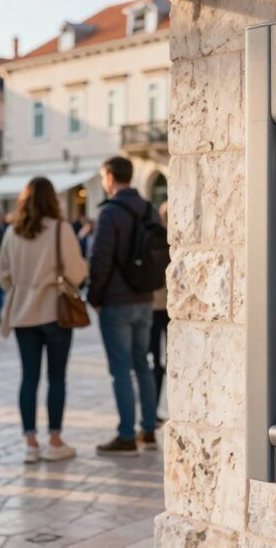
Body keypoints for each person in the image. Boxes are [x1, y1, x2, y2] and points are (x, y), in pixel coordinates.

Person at [0, 178, 88, 463]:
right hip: (54, 311)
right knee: (56, 377)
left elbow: (3, 274)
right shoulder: (61, 230)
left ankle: (31, 443)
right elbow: (77, 272)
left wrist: (22, 287)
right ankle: (55, 440)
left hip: (23, 313)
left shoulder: (13, 231)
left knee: (28, 377)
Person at [89, 156, 159, 456]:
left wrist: (95, 297)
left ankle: (126, 435)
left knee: (121, 370)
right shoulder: (149, 209)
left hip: (116, 301)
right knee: (143, 365)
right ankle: (148, 430)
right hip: (145, 298)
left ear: (109, 176)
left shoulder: (110, 213)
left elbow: (100, 260)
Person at [149, 202, 169, 413]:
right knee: (173, 359)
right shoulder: (175, 242)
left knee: (154, 360)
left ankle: (152, 410)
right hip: (171, 307)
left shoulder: (153, 238)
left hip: (154, 305)